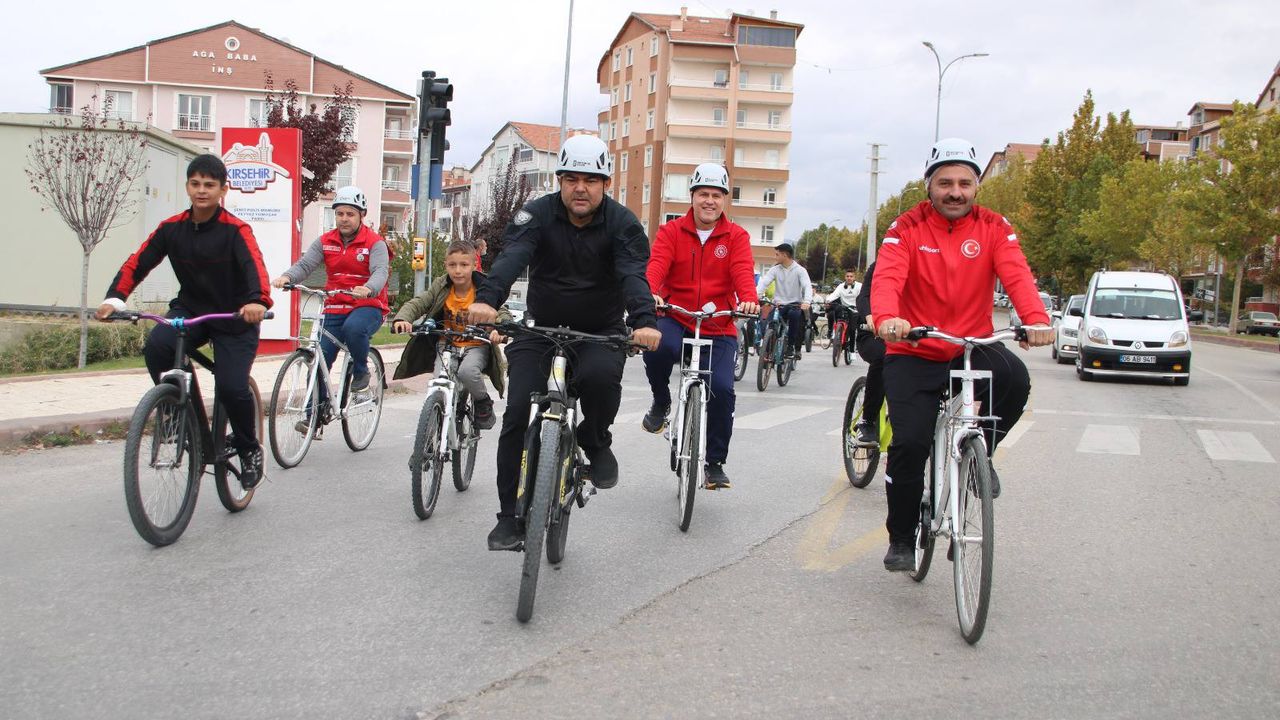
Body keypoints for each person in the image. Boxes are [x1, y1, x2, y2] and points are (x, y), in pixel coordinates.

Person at [467, 134, 662, 551]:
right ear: (559, 181)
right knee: (517, 413)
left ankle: (595, 439)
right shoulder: (536, 214)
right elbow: (512, 258)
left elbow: (633, 275)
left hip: (599, 332)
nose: (580, 188)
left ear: (605, 183)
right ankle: (508, 517)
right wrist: (487, 299)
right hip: (540, 330)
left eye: (590, 180)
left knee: (600, 380)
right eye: (572, 179)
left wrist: (644, 322)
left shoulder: (623, 224)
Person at [871, 138, 1053, 572]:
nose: (955, 192)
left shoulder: (994, 227)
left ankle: (979, 456)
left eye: (964, 184)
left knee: (1015, 379)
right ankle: (902, 536)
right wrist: (887, 317)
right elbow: (888, 276)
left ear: (976, 187)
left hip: (971, 347)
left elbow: (1017, 274)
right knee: (909, 443)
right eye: (945, 183)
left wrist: (1035, 319)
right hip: (915, 348)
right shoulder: (906, 227)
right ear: (929, 186)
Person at [96, 154, 272, 488]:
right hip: (191, 311)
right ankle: (182, 415)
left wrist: (257, 301)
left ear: (223, 190)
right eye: (195, 183)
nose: (201, 190)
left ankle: (249, 448)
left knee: (232, 387)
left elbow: (256, 269)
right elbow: (138, 262)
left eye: (209, 185)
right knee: (158, 346)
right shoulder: (171, 228)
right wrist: (114, 298)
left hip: (234, 317)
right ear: (187, 186)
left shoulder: (236, 230)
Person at [641, 163, 760, 489]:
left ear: (724, 200)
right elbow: (657, 265)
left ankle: (715, 463)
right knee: (657, 345)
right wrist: (650, 291)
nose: (709, 201)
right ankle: (661, 401)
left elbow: (742, 272)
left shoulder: (736, 236)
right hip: (676, 315)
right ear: (692, 196)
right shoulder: (671, 232)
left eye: (716, 195)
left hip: (719, 324)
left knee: (722, 389)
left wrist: (749, 299)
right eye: (703, 194)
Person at [271, 186, 390, 397]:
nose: (344, 219)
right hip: (335, 305)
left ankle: (361, 372)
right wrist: (287, 277)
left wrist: (369, 288)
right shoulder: (325, 241)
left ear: (361, 215)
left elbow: (380, 271)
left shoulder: (375, 243)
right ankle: (314, 412)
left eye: (350, 214)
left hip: (367, 305)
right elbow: (305, 265)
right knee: (319, 361)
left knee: (354, 328)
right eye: (339, 213)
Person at [391, 240, 510, 429]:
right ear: (445, 265)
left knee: (467, 372)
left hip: (475, 345)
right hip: (446, 344)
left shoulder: (484, 287)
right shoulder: (441, 285)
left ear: (474, 265)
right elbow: (420, 302)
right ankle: (437, 424)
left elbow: (500, 311)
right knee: (440, 380)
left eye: (464, 265)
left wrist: (499, 329)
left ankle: (482, 401)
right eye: (452, 265)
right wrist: (403, 319)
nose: (458, 270)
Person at [755, 243, 812, 359]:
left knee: (794, 317)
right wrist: (755, 296)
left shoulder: (800, 270)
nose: (775, 257)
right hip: (779, 304)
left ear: (785, 255)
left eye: (777, 254)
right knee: (768, 323)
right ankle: (767, 351)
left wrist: (807, 301)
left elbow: (807, 286)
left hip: (794, 305)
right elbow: (764, 283)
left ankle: (791, 346)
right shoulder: (775, 270)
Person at [852, 262, 884, 446]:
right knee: (883, 357)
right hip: (873, 332)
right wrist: (869, 316)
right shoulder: (880, 265)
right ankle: (868, 421)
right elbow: (863, 296)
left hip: (910, 335)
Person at [827, 269, 861, 345]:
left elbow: (862, 296)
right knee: (835, 311)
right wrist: (828, 301)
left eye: (851, 276)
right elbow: (834, 294)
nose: (849, 278)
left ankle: (852, 349)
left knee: (852, 329)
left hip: (854, 309)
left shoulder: (859, 286)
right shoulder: (841, 286)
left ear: (854, 278)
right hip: (843, 308)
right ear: (845, 277)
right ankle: (836, 332)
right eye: (847, 276)